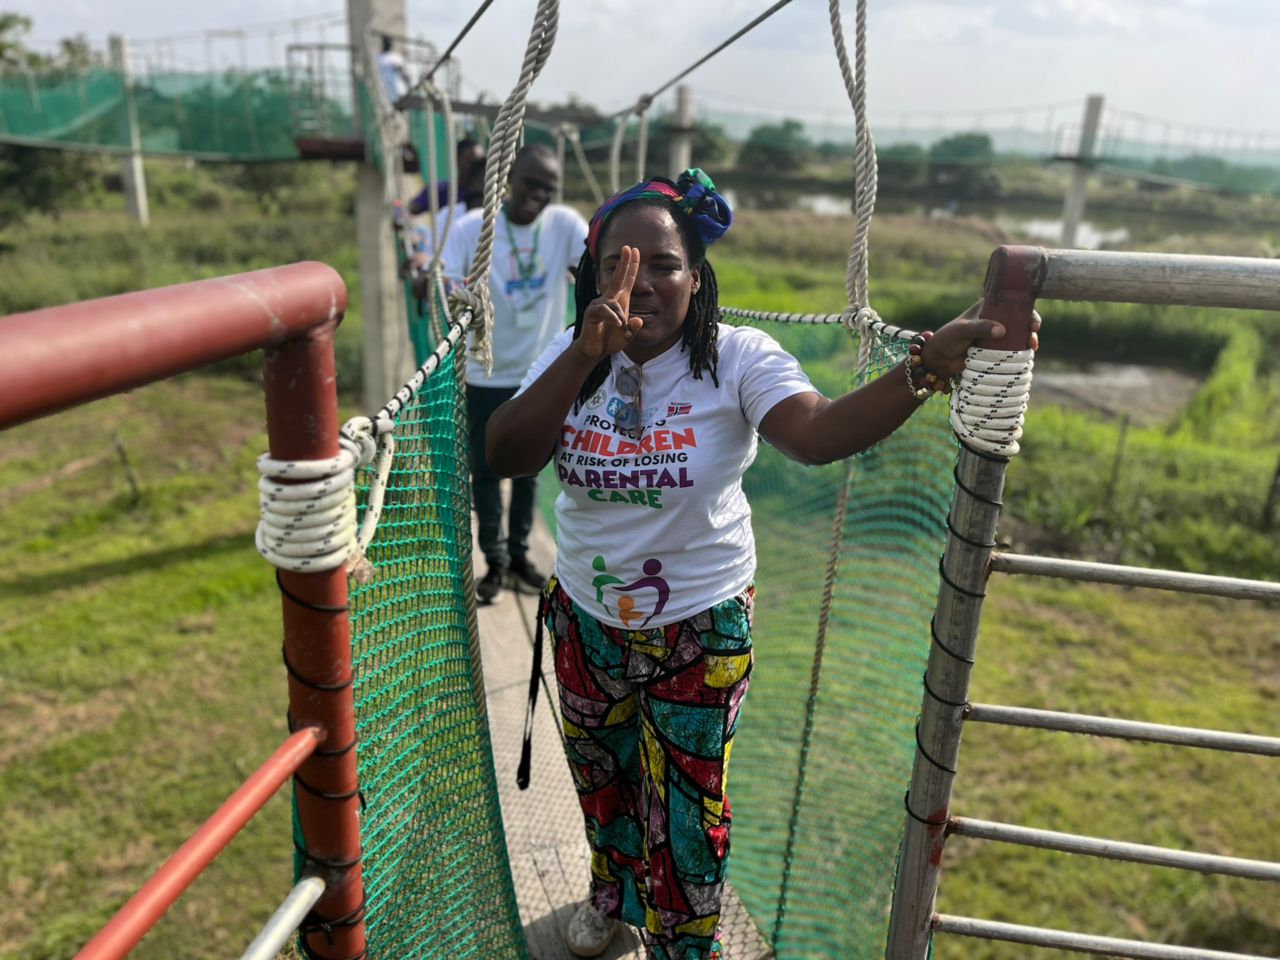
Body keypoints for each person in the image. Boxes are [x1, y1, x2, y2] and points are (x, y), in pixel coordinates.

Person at [483, 170, 1039, 960]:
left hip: (699, 631)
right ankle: (610, 896)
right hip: (586, 621)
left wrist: (926, 368)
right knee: (603, 782)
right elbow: (506, 453)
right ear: (591, 275)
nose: (637, 280)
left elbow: (816, 436)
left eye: (663, 263)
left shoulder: (735, 359)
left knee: (688, 811)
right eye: (615, 262)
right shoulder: (566, 356)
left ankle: (685, 946)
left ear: (697, 277)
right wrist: (582, 358)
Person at [442, 142, 589, 604]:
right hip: (484, 371)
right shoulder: (474, 230)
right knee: (485, 473)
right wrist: (451, 289)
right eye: (531, 183)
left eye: (549, 187)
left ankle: (522, 556)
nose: (539, 194)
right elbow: (444, 279)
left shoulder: (563, 225)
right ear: (507, 180)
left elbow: (594, 256)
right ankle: (495, 562)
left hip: (538, 372)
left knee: (529, 471)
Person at [376, 36, 411, 107]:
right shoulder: (379, 57)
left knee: (399, 108)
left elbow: (404, 73)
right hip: (385, 91)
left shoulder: (396, 57)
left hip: (398, 90)